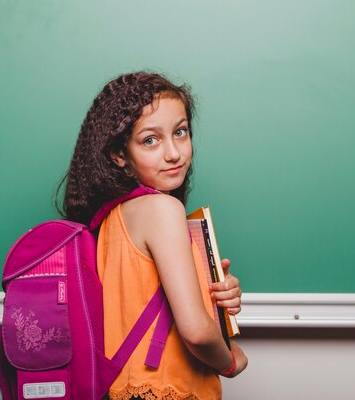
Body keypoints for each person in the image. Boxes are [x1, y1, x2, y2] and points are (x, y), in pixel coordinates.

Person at [57, 71, 248, 400]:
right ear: (119, 155)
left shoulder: (113, 218)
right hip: (166, 389)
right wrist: (232, 361)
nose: (173, 152)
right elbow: (196, 331)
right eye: (150, 140)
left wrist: (212, 294)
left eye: (180, 132)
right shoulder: (163, 211)